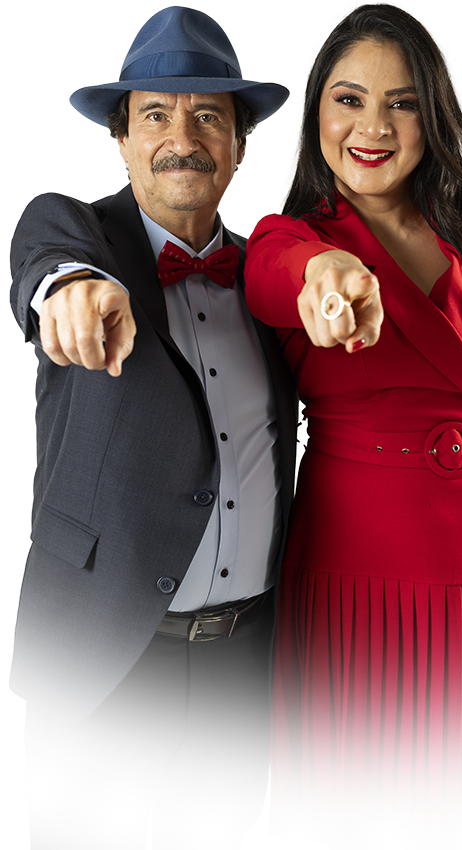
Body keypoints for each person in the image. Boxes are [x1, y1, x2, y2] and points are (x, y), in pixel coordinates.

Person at [243, 4, 462, 849]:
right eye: (348, 99)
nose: (373, 127)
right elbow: (276, 276)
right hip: (355, 589)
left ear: (432, 115)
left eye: (401, 103)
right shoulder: (288, 240)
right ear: (315, 114)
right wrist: (325, 276)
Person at [9, 7, 297, 849]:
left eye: (208, 116)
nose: (183, 138)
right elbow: (45, 254)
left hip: (240, 660)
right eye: (156, 116)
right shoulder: (78, 237)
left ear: (239, 146)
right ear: (123, 141)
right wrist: (71, 290)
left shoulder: (267, 279)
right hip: (102, 652)